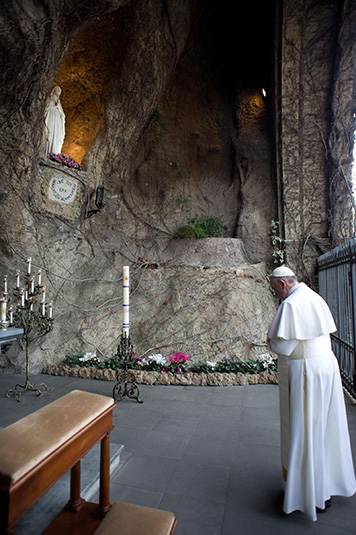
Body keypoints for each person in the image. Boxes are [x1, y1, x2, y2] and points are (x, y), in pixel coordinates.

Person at [267, 265, 356, 522]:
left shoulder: (291, 305)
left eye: (276, 290)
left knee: (306, 430)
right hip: (325, 368)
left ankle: (310, 493)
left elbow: (282, 345)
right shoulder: (314, 297)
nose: (277, 296)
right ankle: (324, 486)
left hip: (306, 372)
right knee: (325, 428)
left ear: (283, 284)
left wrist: (269, 339)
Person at [44, 85, 66, 155]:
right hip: (50, 123)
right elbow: (45, 110)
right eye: (55, 95)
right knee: (49, 138)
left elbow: (63, 116)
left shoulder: (58, 104)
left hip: (57, 127)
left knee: (55, 140)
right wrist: (53, 108)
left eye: (58, 95)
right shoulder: (48, 101)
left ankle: (54, 155)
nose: (56, 97)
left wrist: (58, 106)